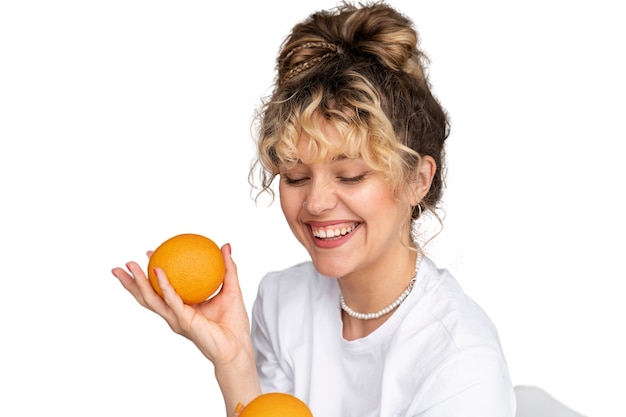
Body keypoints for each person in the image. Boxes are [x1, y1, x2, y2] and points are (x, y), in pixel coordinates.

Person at [112, 1, 516, 416]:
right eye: (296, 177)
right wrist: (233, 361)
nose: (316, 203)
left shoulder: (462, 365)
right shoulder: (283, 302)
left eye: (351, 175)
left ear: (418, 180)